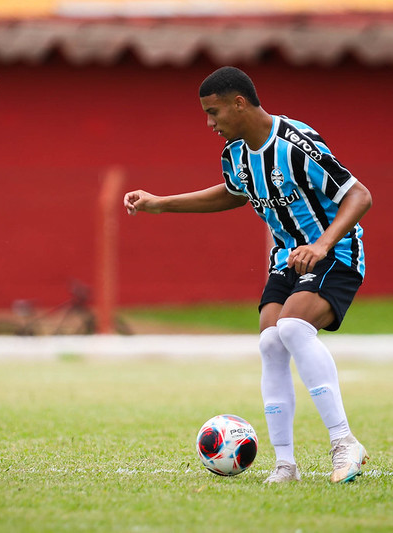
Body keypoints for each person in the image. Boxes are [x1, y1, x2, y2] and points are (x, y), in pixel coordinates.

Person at [123, 66, 372, 484]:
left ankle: (344, 443)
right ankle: (285, 464)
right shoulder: (235, 153)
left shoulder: (297, 144)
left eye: (214, 112)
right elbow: (233, 192)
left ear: (240, 103)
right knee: (272, 340)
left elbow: (359, 195)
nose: (209, 123)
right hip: (287, 259)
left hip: (335, 251)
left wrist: (322, 244)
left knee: (292, 326)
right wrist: (161, 203)